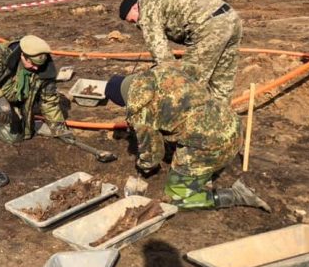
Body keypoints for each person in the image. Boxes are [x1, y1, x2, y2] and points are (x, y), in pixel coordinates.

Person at [104, 63, 271, 212]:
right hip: (231, 123)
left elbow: (153, 153)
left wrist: (144, 166)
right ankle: (200, 175)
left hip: (212, 143)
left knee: (176, 198)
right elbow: (195, 69)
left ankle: (236, 195)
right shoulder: (163, 69)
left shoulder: (138, 109)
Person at [119, 0, 242, 102]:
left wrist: (172, 77)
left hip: (210, 29)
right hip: (231, 17)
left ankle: (190, 119)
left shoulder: (146, 11)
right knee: (222, 83)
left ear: (136, 7)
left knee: (189, 84)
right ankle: (221, 118)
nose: (136, 25)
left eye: (133, 21)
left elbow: (161, 53)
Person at [0, 35, 71, 150]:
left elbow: (49, 102)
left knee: (13, 138)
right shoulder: (1, 54)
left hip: (14, 102)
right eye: (32, 63)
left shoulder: (46, 68)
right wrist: (1, 101)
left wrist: (60, 130)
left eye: (39, 65)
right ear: (22, 55)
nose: (36, 68)